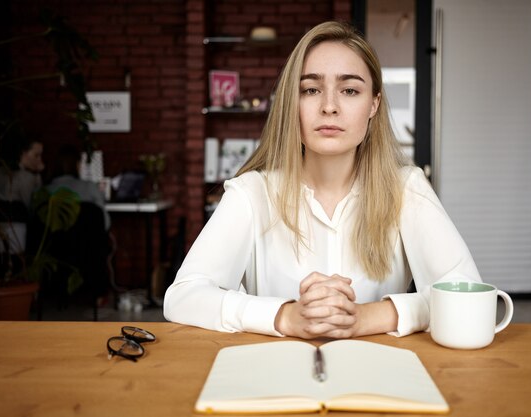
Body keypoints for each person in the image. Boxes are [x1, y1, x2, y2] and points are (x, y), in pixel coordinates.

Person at [164, 21, 482, 339]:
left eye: (350, 90)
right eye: (311, 90)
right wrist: (284, 317)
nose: (329, 106)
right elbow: (182, 297)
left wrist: (369, 317)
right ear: (293, 102)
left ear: (374, 104)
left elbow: (471, 295)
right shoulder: (251, 193)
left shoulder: (406, 189)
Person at [0, 137, 44, 254]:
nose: (39, 160)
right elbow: (31, 206)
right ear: (24, 153)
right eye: (36, 156)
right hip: (16, 226)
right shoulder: (26, 177)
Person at [46, 144, 111, 231]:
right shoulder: (90, 187)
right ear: (77, 165)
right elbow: (105, 223)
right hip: (87, 242)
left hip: (54, 243)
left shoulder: (41, 193)